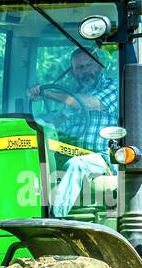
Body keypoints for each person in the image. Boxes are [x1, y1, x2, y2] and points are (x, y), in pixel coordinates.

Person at [29, 47, 117, 217]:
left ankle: (55, 221)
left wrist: (50, 93)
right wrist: (38, 120)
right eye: (80, 68)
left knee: (77, 165)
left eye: (89, 65)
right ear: (73, 73)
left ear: (100, 66)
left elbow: (87, 103)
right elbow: (59, 122)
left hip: (104, 157)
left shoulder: (114, 86)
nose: (85, 71)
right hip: (70, 152)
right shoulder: (77, 94)